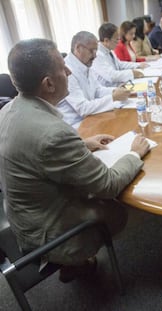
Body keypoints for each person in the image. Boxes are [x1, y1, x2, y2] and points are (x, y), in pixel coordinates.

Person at [0, 38, 150, 282]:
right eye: (63, 67)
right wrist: (135, 153)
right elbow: (108, 184)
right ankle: (73, 257)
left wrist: (83, 144)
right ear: (48, 84)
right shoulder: (52, 133)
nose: (69, 71)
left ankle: (76, 263)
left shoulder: (8, 109)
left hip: (23, 218)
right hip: (48, 233)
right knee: (118, 207)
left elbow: (33, 151)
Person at [58, 31, 131, 128]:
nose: (95, 55)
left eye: (96, 51)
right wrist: (113, 97)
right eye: (91, 51)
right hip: (77, 125)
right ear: (78, 48)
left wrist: (115, 91)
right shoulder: (67, 71)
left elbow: (97, 90)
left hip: (91, 117)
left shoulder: (84, 63)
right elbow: (83, 108)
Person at [92, 22, 145, 87]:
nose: (118, 42)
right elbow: (111, 76)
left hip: (118, 86)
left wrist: (138, 65)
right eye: (116, 39)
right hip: (108, 90)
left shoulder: (109, 50)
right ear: (106, 40)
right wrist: (132, 73)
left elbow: (119, 64)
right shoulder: (97, 55)